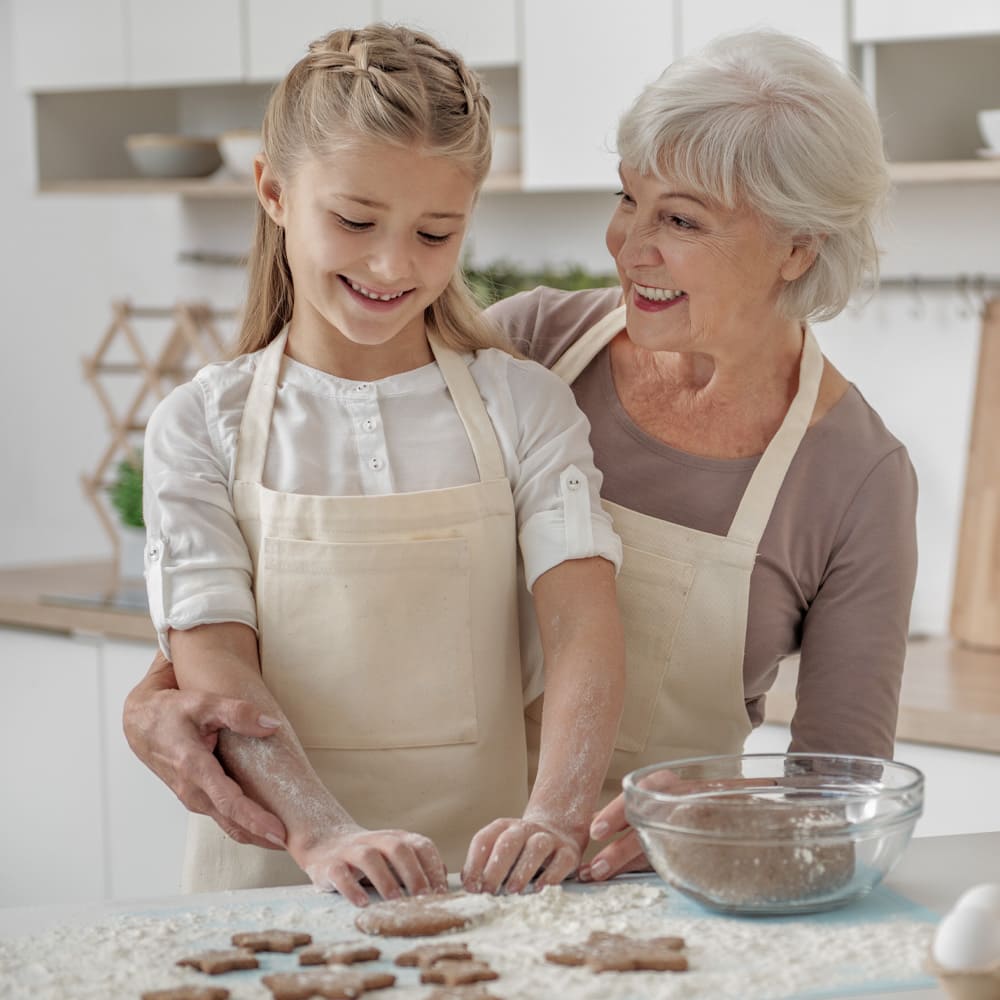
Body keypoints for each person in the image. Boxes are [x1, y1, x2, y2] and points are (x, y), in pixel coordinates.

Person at [125, 28, 917, 887]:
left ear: (797, 246)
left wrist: (713, 823)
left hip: (661, 885)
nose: (626, 245)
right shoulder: (532, 351)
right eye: (628, 199)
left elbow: (842, 790)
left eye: (680, 220)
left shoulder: (855, 476)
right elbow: (341, 581)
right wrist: (159, 693)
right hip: (459, 868)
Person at [136, 22, 626, 907]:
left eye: (437, 233)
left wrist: (557, 813)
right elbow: (215, 661)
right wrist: (323, 832)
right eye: (356, 220)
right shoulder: (202, 423)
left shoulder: (524, 405)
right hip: (274, 881)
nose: (394, 264)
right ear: (274, 191)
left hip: (489, 885)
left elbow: (582, 629)